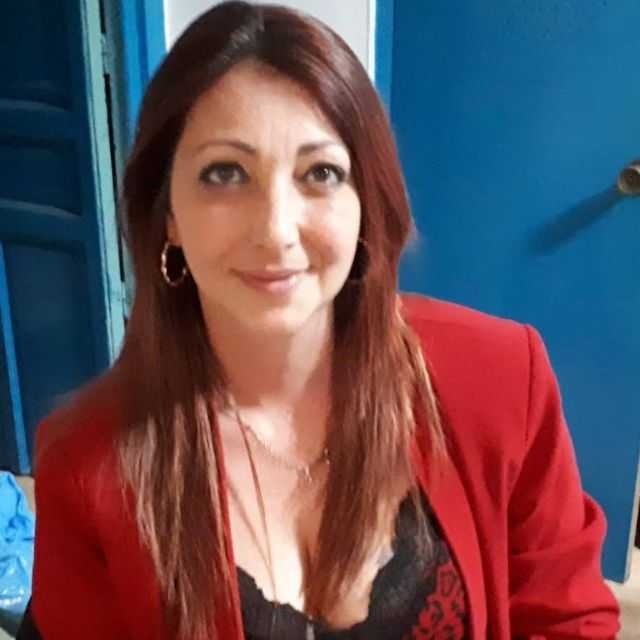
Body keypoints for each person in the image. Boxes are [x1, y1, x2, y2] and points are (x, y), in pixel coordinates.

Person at [21, 2, 620, 639]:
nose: (276, 230)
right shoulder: (87, 463)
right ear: (167, 213)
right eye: (225, 173)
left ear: (367, 204)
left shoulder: (500, 379)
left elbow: (568, 620)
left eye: (321, 173)